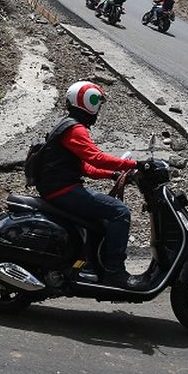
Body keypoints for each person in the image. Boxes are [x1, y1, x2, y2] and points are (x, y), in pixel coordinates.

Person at [35, 81, 140, 287]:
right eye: (97, 103)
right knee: (120, 212)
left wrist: (113, 176)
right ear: (88, 102)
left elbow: (86, 168)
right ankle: (114, 271)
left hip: (58, 187)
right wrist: (136, 164)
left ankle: (91, 264)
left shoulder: (69, 125)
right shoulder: (75, 129)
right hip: (62, 190)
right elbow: (96, 158)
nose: (98, 109)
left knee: (104, 213)